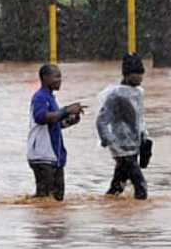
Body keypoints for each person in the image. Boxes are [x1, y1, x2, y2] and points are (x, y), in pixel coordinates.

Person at [26, 64, 84, 201]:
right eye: (56, 76)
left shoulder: (50, 98)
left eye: (60, 77)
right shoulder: (40, 97)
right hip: (43, 155)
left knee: (56, 198)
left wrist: (71, 120)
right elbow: (40, 118)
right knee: (46, 199)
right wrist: (66, 110)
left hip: (53, 156)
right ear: (45, 78)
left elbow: (54, 125)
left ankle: (50, 221)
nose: (60, 80)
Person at [96, 54, 150, 200]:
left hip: (134, 144)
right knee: (141, 186)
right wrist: (108, 140)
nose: (139, 78)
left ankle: (110, 211)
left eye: (141, 74)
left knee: (117, 186)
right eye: (136, 74)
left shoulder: (138, 92)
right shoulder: (116, 95)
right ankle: (139, 218)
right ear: (126, 75)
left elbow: (139, 119)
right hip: (121, 147)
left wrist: (145, 137)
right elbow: (101, 120)